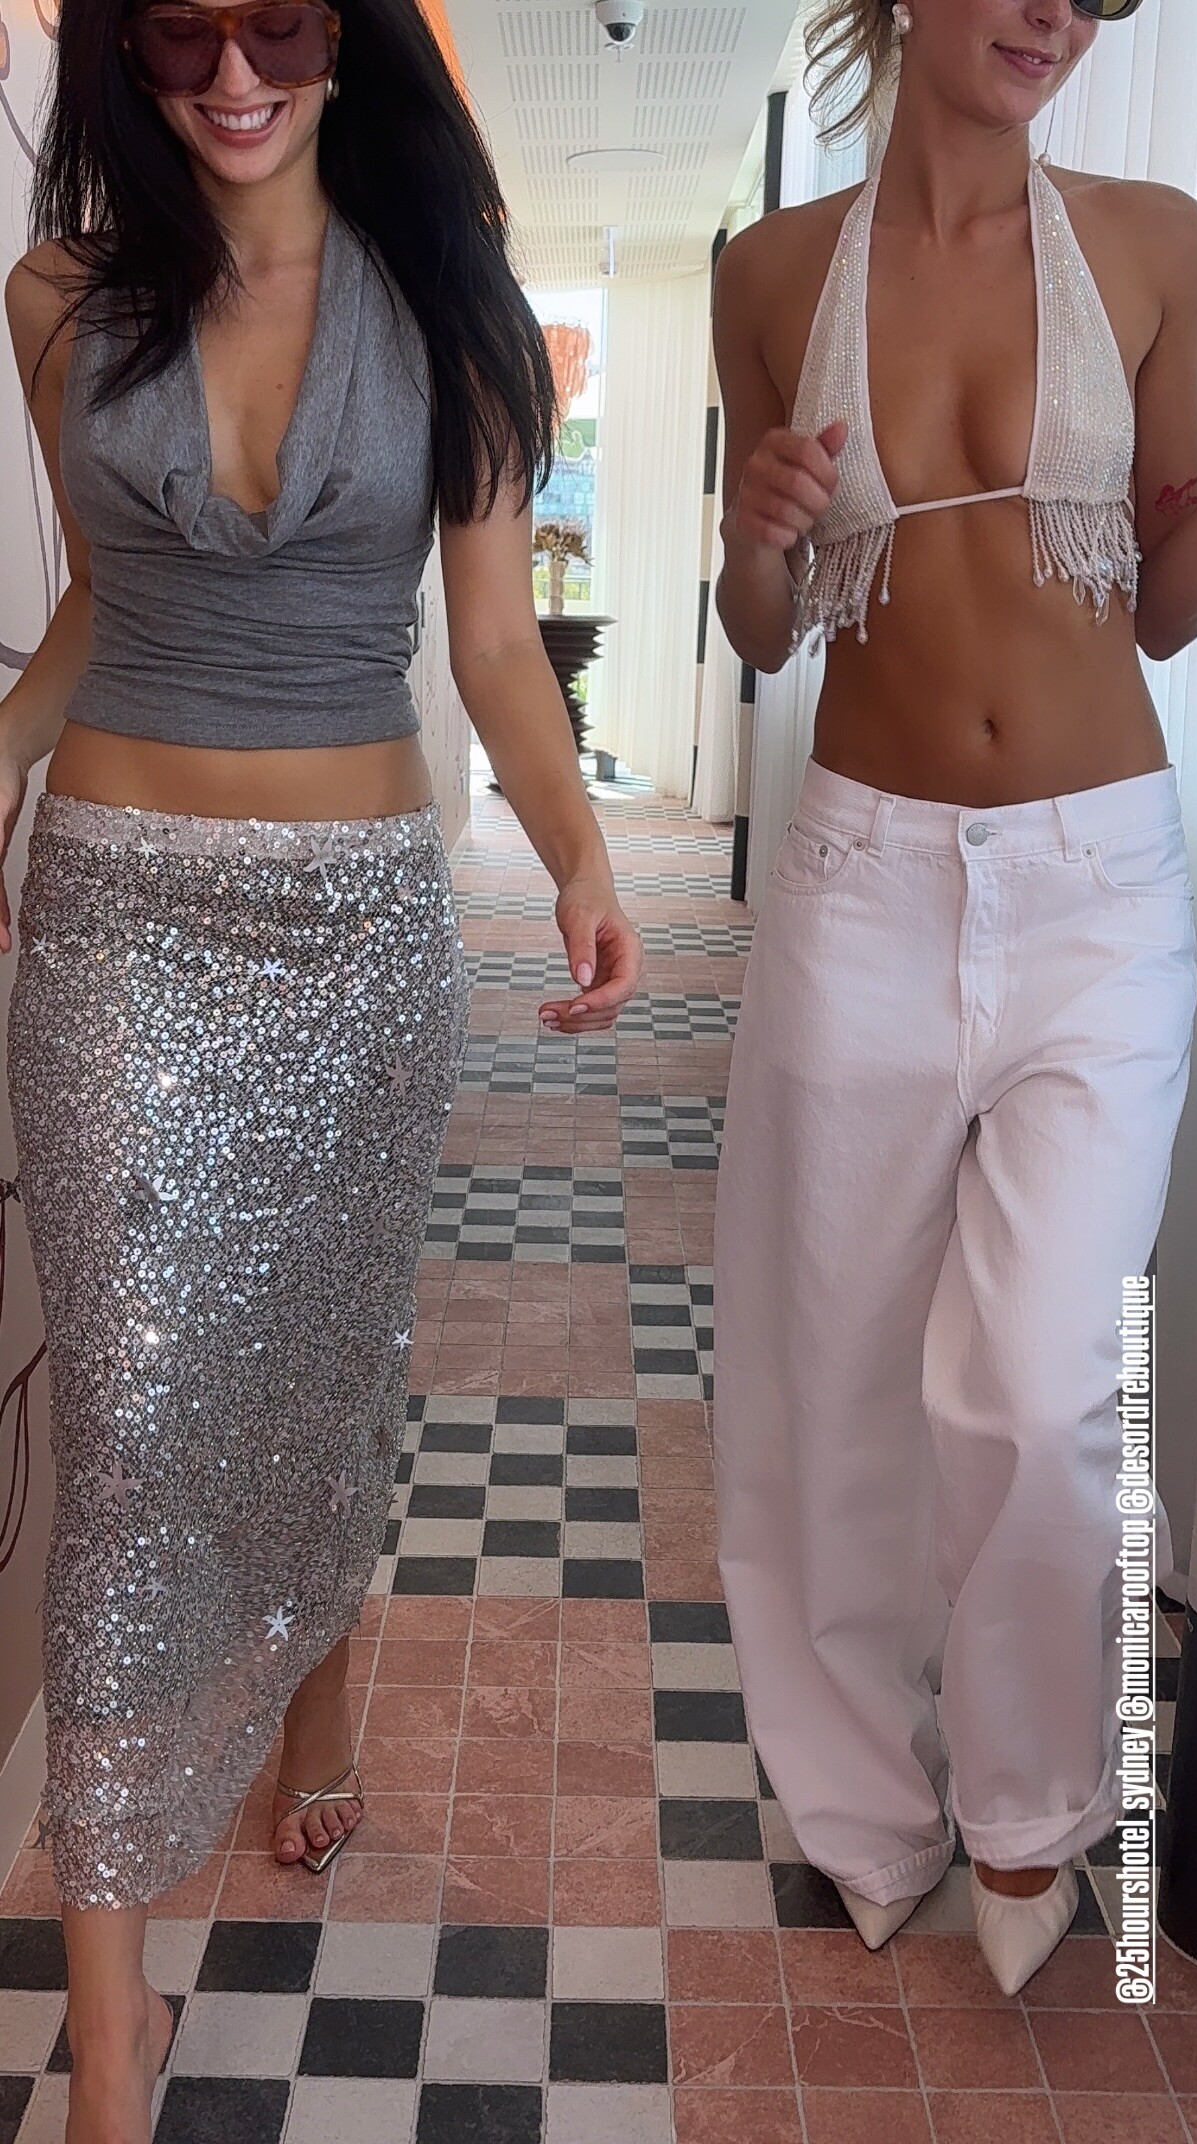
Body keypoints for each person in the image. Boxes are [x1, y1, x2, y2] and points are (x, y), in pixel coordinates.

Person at [1, 1, 642, 2134]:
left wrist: (578, 856)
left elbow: (492, 645)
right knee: (125, 1438)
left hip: (361, 935)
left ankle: (319, 1682)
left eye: (275, 20)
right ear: (125, 52)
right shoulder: (58, 297)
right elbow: (97, 604)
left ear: (347, 35)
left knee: (322, 1363)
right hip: (117, 918)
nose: (231, 73)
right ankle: (114, 2036)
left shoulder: (451, 308)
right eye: (179, 31)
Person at [712, 0, 1197, 1996]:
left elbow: (1164, 616)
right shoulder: (770, 273)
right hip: (864, 878)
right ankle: (860, 1803)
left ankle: (1029, 1804)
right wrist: (755, 538)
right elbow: (761, 626)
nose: (1057, 18)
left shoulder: (1158, 240)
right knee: (830, 1366)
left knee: (1039, 1376)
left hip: (1100, 891)